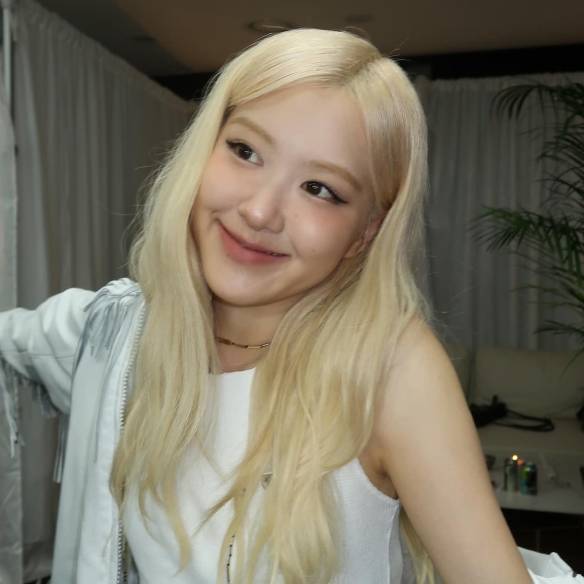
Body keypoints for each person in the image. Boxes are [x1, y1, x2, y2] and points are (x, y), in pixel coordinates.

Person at [0, 28, 579, 584]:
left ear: (365, 232)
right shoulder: (120, 329)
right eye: (245, 151)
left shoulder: (388, 373)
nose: (260, 212)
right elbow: (18, 339)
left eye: (320, 189)